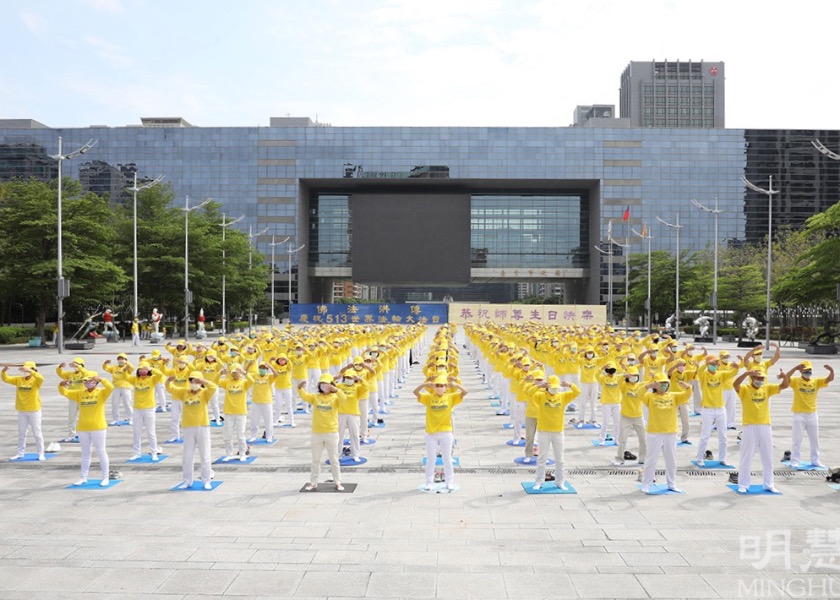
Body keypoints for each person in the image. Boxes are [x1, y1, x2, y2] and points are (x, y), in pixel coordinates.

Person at [733, 367, 790, 493]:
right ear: (752, 378)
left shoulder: (767, 388)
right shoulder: (745, 389)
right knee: (746, 456)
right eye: (758, 378)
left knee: (768, 456)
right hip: (749, 426)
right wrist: (746, 373)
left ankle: (769, 484)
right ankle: (743, 484)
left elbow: (785, 385)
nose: (760, 380)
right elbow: (735, 384)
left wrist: (784, 375)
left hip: (765, 425)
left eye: (762, 378)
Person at [639, 373, 692, 494]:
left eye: (665, 383)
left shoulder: (673, 396)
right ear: (656, 385)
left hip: (670, 433)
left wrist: (687, 386)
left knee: (671, 460)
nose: (663, 385)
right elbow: (639, 393)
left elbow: (687, 395)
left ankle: (671, 484)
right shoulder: (650, 397)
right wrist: (648, 385)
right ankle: (646, 483)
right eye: (661, 383)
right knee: (651, 460)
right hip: (654, 432)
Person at [414, 374, 468, 491]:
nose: (439, 388)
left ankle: (450, 481)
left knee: (447, 458)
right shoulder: (429, 398)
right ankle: (429, 481)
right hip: (431, 433)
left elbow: (465, 392)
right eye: (437, 386)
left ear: (446, 387)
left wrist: (456, 384)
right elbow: (415, 393)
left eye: (442, 386)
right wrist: (424, 384)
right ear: (434, 387)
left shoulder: (450, 397)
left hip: (446, 432)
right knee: (431, 459)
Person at [58, 373, 114, 486]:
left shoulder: (101, 393)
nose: (87, 383)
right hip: (83, 428)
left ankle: (105, 477)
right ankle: (83, 477)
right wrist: (61, 384)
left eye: (90, 380)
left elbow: (110, 387)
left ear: (95, 381)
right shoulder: (79, 393)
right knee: (85, 453)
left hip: (98, 427)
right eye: (85, 381)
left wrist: (102, 379)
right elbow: (65, 392)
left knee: (101, 451)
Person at [166, 371, 217, 490]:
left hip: (202, 426)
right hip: (188, 426)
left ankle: (206, 480)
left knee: (205, 455)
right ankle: (187, 481)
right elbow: (170, 388)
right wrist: (169, 380)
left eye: (195, 380)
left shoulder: (205, 393)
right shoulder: (184, 392)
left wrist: (203, 381)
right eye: (191, 380)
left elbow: (213, 387)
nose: (193, 383)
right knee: (187, 456)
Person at [298, 374, 345, 491]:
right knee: (315, 459)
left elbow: (344, 399)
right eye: (322, 384)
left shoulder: (335, 398)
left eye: (327, 384)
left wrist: (336, 390)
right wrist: (299, 388)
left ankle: (338, 482)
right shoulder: (316, 397)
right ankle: (313, 482)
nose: (325, 386)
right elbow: (305, 396)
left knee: (334, 459)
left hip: (332, 432)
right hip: (317, 432)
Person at [532, 375, 580, 490]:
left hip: (558, 432)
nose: (554, 390)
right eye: (551, 387)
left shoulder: (563, 397)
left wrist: (570, 385)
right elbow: (529, 393)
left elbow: (577, 392)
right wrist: (539, 386)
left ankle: (560, 482)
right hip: (543, 431)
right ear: (547, 387)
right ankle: (539, 481)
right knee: (542, 458)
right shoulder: (540, 396)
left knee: (560, 459)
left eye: (555, 388)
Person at [785, 360, 834, 468]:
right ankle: (795, 461)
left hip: (812, 414)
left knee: (814, 439)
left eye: (809, 370)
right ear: (801, 371)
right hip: (799, 415)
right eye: (806, 370)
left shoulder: (815, 381)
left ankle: (815, 460)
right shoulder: (796, 381)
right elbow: (786, 378)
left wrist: (831, 370)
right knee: (797, 439)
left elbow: (829, 379)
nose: (808, 372)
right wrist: (794, 368)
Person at [1, 362, 45, 460]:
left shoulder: (36, 381)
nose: (24, 372)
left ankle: (41, 453)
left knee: (37, 433)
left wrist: (30, 370)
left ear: (32, 370)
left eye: (27, 370)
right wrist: (4, 372)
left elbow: (41, 378)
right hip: (22, 410)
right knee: (21, 433)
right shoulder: (19, 379)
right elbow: (6, 379)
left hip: (34, 410)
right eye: (24, 370)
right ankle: (20, 453)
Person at [694, 355, 730, 467]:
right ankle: (700, 458)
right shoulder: (704, 375)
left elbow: (732, 373)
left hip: (720, 409)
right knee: (705, 435)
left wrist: (735, 367)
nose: (715, 366)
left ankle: (722, 458)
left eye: (716, 364)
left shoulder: (721, 375)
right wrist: (707, 363)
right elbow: (699, 370)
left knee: (723, 435)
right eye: (712, 364)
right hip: (707, 410)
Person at [125, 362, 163, 461]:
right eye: (141, 369)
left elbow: (160, 374)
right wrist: (127, 367)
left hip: (149, 408)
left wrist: (151, 368)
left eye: (144, 369)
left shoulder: (152, 379)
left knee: (151, 432)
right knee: (136, 432)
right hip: (137, 408)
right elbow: (125, 376)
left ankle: (154, 452)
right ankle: (137, 453)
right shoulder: (135, 380)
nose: (142, 371)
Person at [218, 366, 253, 461]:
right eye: (233, 373)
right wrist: (220, 374)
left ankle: (242, 453)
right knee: (227, 435)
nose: (235, 375)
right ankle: (229, 454)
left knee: (240, 435)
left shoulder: (244, 383)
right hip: (229, 412)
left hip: (241, 412)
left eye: (237, 373)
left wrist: (244, 372)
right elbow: (214, 381)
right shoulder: (227, 382)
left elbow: (252, 381)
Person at [615, 366, 646, 465]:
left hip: (638, 416)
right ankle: (619, 459)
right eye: (631, 375)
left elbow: (649, 384)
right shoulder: (624, 386)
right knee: (622, 439)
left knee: (643, 439)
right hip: (625, 416)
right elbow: (617, 380)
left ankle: (643, 458)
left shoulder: (640, 386)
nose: (633, 377)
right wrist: (624, 375)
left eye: (635, 375)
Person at [56, 357, 92, 441]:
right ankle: (71, 435)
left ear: (82, 365)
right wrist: (59, 367)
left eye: (77, 364)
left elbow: (86, 373)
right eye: (74, 364)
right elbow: (61, 374)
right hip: (72, 398)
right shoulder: (70, 374)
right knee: (71, 417)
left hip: (83, 398)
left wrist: (79, 367)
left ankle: (86, 434)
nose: (75, 366)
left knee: (85, 417)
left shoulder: (84, 373)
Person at [249, 362, 277, 444]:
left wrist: (270, 366)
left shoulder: (269, 377)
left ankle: (269, 436)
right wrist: (249, 366)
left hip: (266, 401)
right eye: (261, 368)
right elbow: (246, 374)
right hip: (256, 401)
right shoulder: (255, 375)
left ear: (266, 370)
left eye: (264, 368)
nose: (262, 370)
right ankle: (253, 436)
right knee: (254, 420)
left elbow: (276, 375)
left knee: (268, 420)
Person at [103, 354, 133, 425]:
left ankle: (131, 418)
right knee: (115, 403)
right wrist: (105, 363)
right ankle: (115, 419)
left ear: (125, 360)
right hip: (116, 387)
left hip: (126, 387)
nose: (120, 360)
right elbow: (105, 368)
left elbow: (132, 368)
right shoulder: (114, 367)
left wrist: (127, 363)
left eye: (122, 359)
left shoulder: (127, 367)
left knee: (127, 403)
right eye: (119, 359)